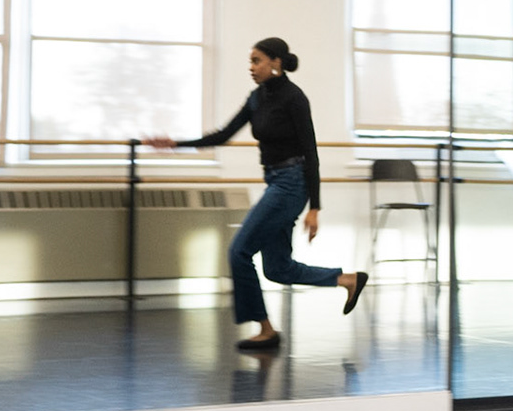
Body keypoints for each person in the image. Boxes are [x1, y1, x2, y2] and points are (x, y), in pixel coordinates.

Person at [151, 37, 364, 352]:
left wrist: (315, 207)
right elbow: (223, 135)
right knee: (278, 269)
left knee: (239, 251)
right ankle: (347, 280)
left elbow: (310, 152)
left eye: (257, 61)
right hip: (276, 181)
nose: (251, 68)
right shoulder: (256, 98)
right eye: (250, 62)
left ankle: (264, 329)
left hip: (292, 184)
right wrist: (176, 144)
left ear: (276, 62)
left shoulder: (295, 98)